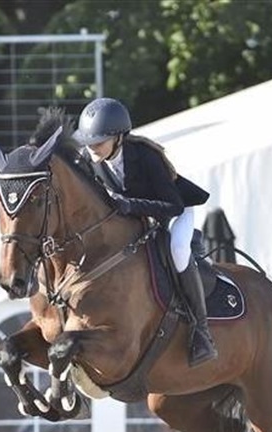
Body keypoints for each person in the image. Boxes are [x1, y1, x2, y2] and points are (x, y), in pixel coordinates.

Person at [74, 97, 216, 367]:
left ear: (119, 137)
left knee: (178, 250)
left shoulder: (146, 156)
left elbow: (172, 206)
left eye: (99, 142)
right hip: (135, 217)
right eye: (89, 142)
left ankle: (201, 331)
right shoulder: (90, 160)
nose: (92, 148)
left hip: (174, 211)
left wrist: (129, 205)